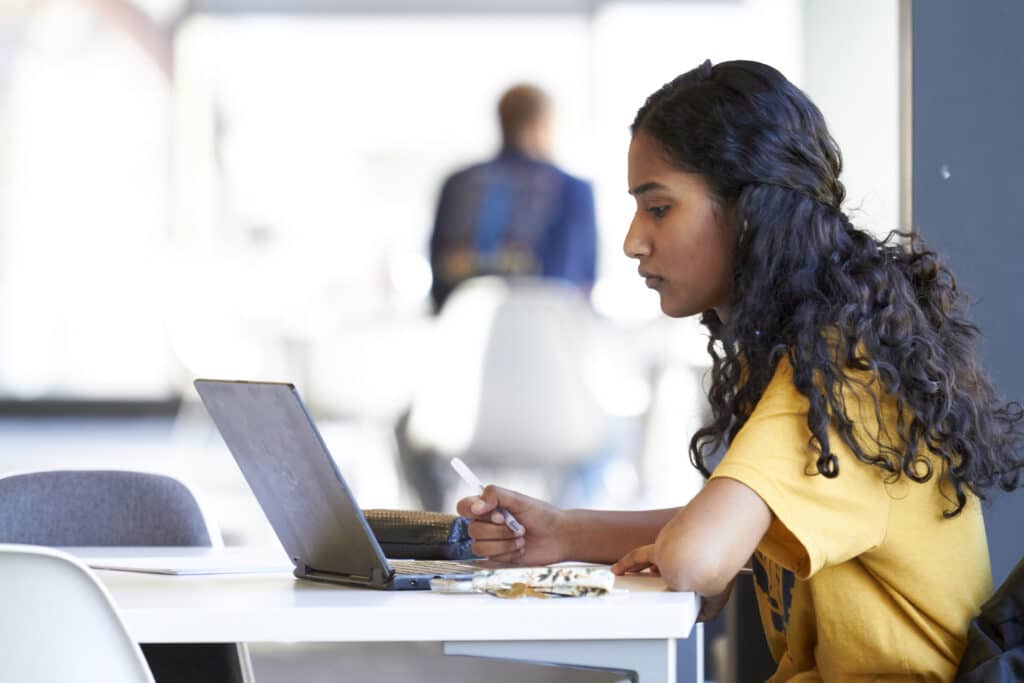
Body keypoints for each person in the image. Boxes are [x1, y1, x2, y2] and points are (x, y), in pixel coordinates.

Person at [456, 59, 1024, 681]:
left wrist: (691, 555)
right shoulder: (817, 351)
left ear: (750, 212)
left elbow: (698, 555)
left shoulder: (841, 375)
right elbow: (722, 532)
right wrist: (563, 533)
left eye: (660, 208)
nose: (631, 241)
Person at [428, 84, 597, 312]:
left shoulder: (456, 183)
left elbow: (439, 278)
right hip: (544, 332)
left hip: (466, 333)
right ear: (542, 123)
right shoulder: (571, 189)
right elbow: (580, 283)